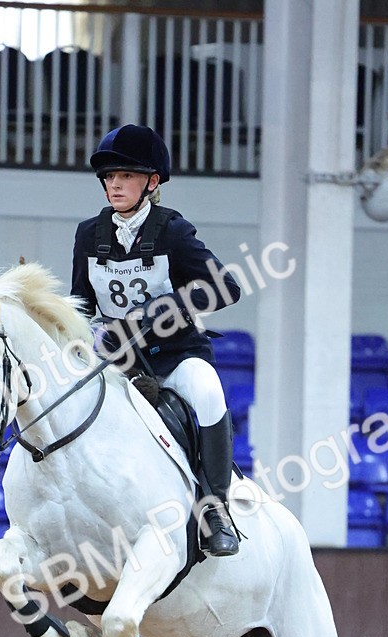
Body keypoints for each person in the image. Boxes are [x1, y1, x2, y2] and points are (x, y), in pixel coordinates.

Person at [71, 123, 243, 557]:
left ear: (151, 182)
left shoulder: (172, 231)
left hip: (175, 354)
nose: (115, 185)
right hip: (118, 358)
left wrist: (158, 312)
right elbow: (81, 303)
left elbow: (226, 288)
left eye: (125, 176)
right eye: (109, 177)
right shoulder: (88, 234)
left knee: (206, 390)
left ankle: (215, 507)